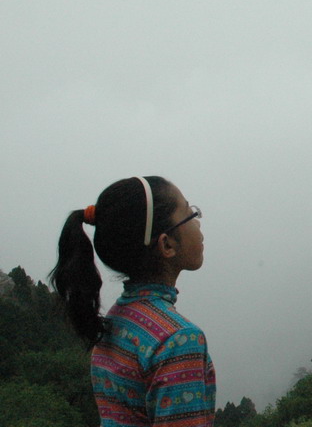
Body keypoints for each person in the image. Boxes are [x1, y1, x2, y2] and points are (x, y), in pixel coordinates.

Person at [50, 176, 216, 427]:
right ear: (167, 244)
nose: (198, 223)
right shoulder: (178, 340)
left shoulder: (116, 320)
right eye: (189, 213)